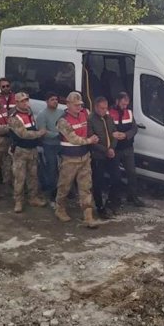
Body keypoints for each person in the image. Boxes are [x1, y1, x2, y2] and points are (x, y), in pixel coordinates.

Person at [54, 91, 101, 228]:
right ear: (68, 104)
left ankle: (88, 215)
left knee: (86, 186)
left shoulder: (84, 114)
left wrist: (94, 138)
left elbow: (90, 127)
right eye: (75, 105)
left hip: (84, 157)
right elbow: (73, 139)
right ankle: (60, 208)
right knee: (64, 186)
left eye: (80, 105)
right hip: (69, 158)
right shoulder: (63, 121)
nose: (78, 107)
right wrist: (90, 140)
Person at [9, 92, 47, 213]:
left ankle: (33, 197)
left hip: (32, 149)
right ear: (17, 102)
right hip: (20, 150)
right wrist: (39, 133)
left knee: (33, 176)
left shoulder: (29, 113)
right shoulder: (14, 117)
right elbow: (23, 134)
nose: (26, 103)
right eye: (22, 101)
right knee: (20, 177)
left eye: (27, 100)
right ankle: (18, 201)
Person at [109, 92, 144, 207]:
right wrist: (114, 134)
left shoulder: (129, 112)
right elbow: (107, 128)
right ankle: (116, 199)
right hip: (115, 149)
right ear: (117, 101)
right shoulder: (109, 113)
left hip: (128, 148)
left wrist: (126, 135)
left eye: (126, 104)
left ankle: (132, 197)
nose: (125, 106)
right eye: (123, 104)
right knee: (116, 176)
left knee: (132, 173)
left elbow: (134, 128)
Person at [88, 96, 120, 219]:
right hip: (98, 155)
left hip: (111, 153)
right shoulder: (90, 119)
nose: (104, 110)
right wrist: (106, 150)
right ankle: (100, 207)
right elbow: (92, 140)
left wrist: (112, 148)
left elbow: (114, 133)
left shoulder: (108, 117)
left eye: (106, 108)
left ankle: (111, 202)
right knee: (98, 182)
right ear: (96, 107)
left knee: (116, 178)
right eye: (101, 108)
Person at [36, 92, 63, 201]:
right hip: (49, 145)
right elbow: (43, 131)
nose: (55, 101)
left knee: (64, 168)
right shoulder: (42, 115)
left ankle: (64, 190)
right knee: (52, 168)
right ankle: (53, 191)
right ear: (47, 101)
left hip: (61, 144)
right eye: (52, 99)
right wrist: (57, 134)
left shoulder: (61, 112)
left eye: (56, 99)